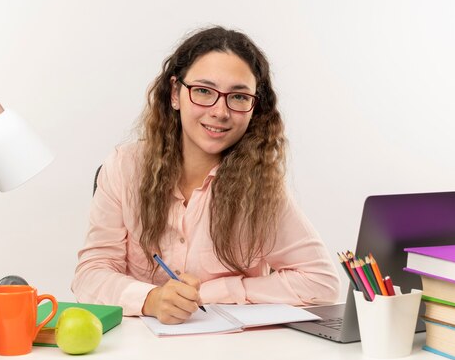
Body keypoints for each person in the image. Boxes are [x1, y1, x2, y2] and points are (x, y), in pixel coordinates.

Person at [72, 26, 340, 324]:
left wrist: (215, 291)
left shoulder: (260, 184)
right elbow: (90, 274)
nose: (220, 111)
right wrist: (151, 299)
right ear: (175, 93)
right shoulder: (124, 167)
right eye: (203, 91)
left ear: (255, 107)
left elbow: (321, 283)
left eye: (238, 97)